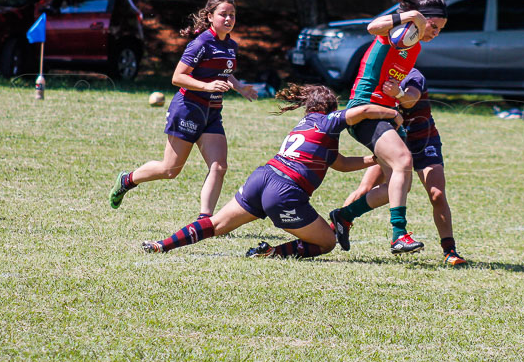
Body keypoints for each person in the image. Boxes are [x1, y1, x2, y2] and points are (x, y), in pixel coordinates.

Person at [141, 85, 402, 259]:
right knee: (327, 243)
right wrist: (394, 115)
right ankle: (272, 253)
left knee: (216, 224)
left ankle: (161, 245)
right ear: (331, 108)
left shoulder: (306, 126)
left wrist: (373, 159)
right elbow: (365, 110)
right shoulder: (329, 121)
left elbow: (341, 164)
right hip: (285, 191)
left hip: (262, 178)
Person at [328, 0, 448, 255]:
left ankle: (344, 216)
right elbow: (372, 27)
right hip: (365, 111)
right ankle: (398, 235)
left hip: (384, 113)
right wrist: (409, 17)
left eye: (440, 29)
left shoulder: (414, 45)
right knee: (404, 161)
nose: (435, 32)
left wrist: (398, 97)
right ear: (420, 18)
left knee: (396, 183)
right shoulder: (399, 34)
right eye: (433, 25)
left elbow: (403, 94)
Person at [109, 0, 257, 215]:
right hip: (188, 109)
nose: (228, 19)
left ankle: (204, 219)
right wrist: (207, 86)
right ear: (209, 17)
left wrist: (240, 87)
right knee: (170, 170)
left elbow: (223, 72)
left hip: (212, 114)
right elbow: (177, 77)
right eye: (223, 14)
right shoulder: (201, 43)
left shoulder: (230, 45)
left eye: (232, 15)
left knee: (219, 167)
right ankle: (127, 179)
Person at [334, 69, 467, 265]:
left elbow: (410, 100)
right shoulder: (376, 74)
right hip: (393, 140)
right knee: (365, 188)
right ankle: (335, 225)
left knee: (436, 194)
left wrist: (398, 93)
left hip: (423, 139)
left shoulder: (413, 75)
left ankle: (450, 250)